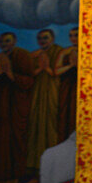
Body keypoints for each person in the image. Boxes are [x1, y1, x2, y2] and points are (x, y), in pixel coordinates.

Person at [0, 33, 34, 183]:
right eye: (1, 41)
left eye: (7, 41)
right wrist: (1, 72)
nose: (4, 44)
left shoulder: (22, 56)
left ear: (14, 41)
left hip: (15, 108)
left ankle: (16, 176)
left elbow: (29, 81)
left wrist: (11, 74)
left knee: (14, 139)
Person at [26, 29, 62, 170]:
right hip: (38, 93)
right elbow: (30, 72)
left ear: (52, 39)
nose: (42, 41)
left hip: (52, 93)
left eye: (45, 38)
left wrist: (46, 69)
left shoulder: (59, 52)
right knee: (35, 123)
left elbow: (57, 72)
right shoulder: (35, 54)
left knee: (51, 124)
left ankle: (52, 163)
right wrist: (40, 69)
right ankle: (34, 164)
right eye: (40, 38)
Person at [55, 27, 78, 141]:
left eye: (76, 35)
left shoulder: (88, 51)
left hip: (80, 87)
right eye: (71, 36)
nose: (73, 38)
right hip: (66, 88)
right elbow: (57, 71)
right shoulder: (64, 52)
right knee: (65, 115)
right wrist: (71, 65)